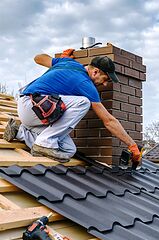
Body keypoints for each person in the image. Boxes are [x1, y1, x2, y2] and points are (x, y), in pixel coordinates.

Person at [3, 49, 141, 163]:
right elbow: (109, 121)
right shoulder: (85, 84)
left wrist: (59, 62)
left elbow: (38, 58)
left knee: (68, 150)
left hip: (35, 113)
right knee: (83, 102)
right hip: (31, 104)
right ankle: (44, 143)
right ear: (95, 72)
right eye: (105, 79)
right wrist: (131, 145)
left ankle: (20, 132)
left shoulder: (67, 62)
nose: (105, 84)